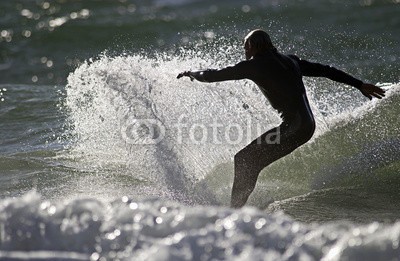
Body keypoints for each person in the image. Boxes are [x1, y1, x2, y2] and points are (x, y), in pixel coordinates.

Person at [177, 29, 385, 208]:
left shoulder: (255, 65)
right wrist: (359, 84)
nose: (245, 52)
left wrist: (191, 73)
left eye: (245, 47)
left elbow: (213, 75)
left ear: (252, 45)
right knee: (251, 162)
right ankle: (239, 208)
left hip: (294, 127)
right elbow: (326, 70)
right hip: (306, 125)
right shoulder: (290, 60)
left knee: (244, 159)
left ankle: (234, 211)